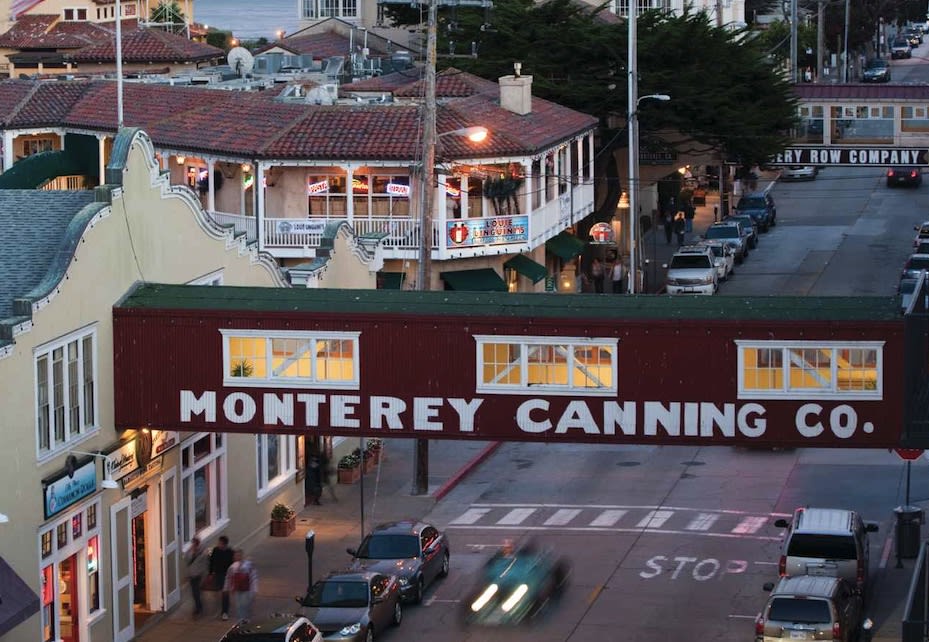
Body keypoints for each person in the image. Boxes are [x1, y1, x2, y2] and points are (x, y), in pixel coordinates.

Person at [223, 549, 258, 622]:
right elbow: (228, 577)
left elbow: (253, 577)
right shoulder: (232, 567)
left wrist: (254, 589)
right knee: (239, 606)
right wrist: (226, 588)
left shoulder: (248, 565)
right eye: (236, 555)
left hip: (247, 589)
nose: (237, 557)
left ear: (242, 556)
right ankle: (241, 621)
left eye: (239, 555)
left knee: (246, 605)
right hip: (237, 589)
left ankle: (246, 619)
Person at [209, 535, 234, 620]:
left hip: (226, 575)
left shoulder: (230, 552)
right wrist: (211, 572)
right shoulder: (216, 550)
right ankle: (220, 609)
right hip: (218, 574)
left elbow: (232, 565)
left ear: (224, 544)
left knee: (225, 593)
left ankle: (225, 612)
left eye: (220, 543)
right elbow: (211, 562)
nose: (218, 544)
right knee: (219, 593)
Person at [186, 536, 209, 618]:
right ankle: (199, 606)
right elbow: (188, 560)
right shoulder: (190, 551)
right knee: (195, 593)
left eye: (194, 544)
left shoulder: (203, 552)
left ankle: (198, 608)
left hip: (199, 575)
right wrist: (192, 552)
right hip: (192, 574)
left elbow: (204, 564)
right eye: (192, 544)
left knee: (196, 592)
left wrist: (205, 575)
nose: (193, 545)